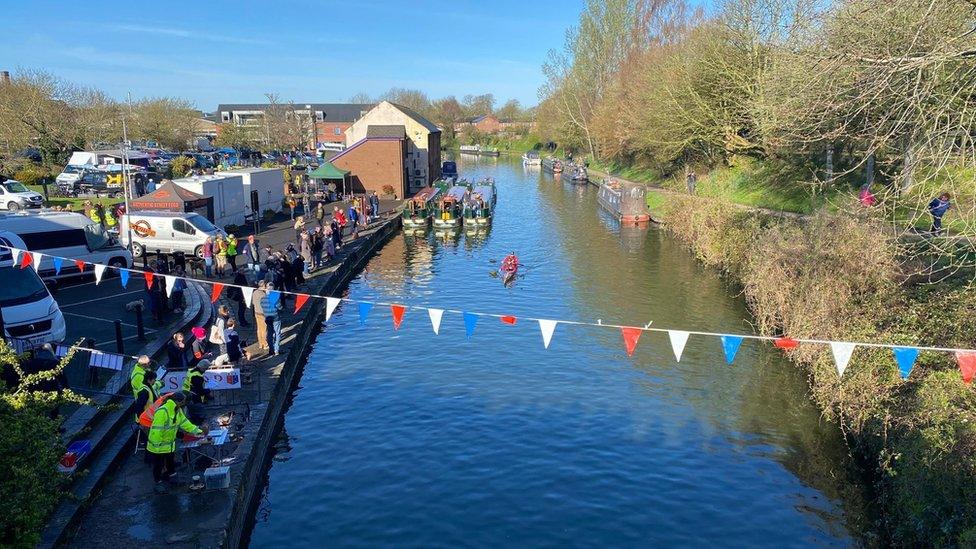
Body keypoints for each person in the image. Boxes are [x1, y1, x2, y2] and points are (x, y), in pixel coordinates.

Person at [144, 391, 205, 493]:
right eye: (183, 402)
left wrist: (199, 431)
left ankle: (172, 479)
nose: (184, 404)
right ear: (178, 401)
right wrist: (156, 447)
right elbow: (156, 430)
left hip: (169, 445)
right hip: (158, 446)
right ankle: (158, 483)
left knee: (170, 463)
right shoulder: (163, 411)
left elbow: (185, 424)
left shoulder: (177, 410)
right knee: (158, 465)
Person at [259, 280, 283, 356]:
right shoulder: (275, 298)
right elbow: (280, 307)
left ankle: (271, 349)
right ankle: (276, 350)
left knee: (269, 333)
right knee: (277, 333)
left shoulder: (262, 299)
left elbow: (263, 308)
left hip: (267, 318)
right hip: (275, 318)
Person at [252, 281, 269, 352]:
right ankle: (265, 344)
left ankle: (260, 343)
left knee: (259, 328)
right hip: (262, 313)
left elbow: (253, 302)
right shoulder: (263, 294)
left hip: (256, 312)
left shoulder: (254, 292)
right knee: (264, 329)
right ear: (263, 286)